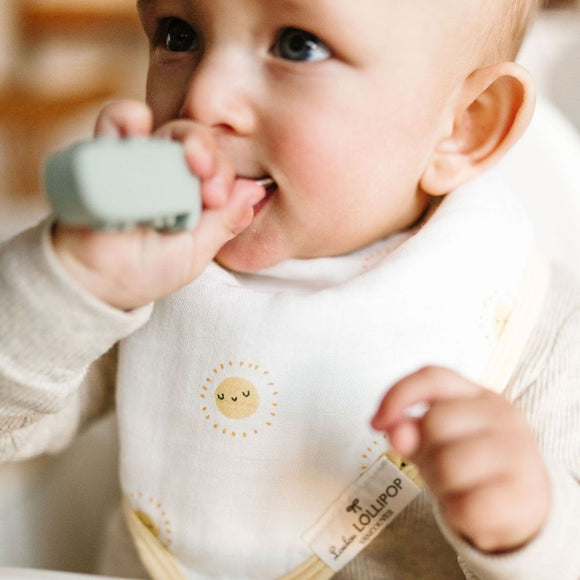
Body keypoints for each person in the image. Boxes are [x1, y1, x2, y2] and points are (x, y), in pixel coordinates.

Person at [1, 0, 579, 578]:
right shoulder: (148, 270)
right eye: (179, 35)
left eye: (298, 46)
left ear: (465, 125)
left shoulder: (529, 323)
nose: (203, 99)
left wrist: (528, 530)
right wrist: (73, 282)